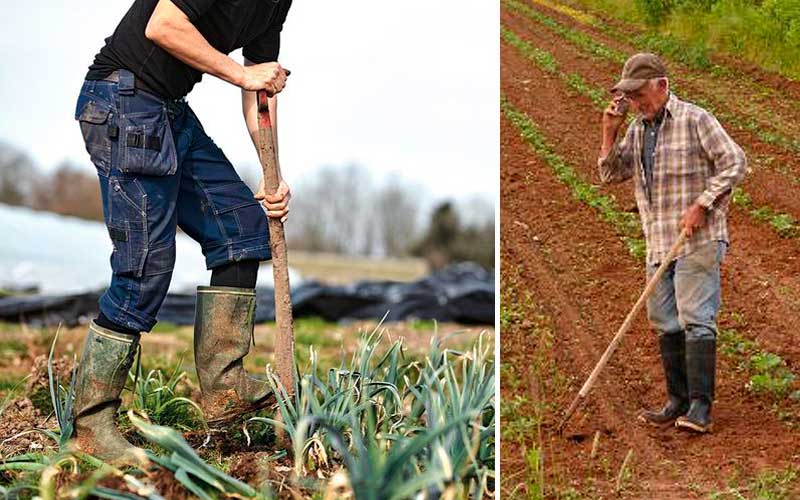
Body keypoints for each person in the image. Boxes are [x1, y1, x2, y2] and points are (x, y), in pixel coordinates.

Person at [72, 0, 292, 462]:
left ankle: (224, 391)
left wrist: (273, 172)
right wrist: (241, 75)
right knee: (145, 266)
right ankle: (91, 426)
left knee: (241, 227)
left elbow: (258, 81)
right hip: (122, 101)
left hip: (168, 110)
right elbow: (164, 25)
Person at [597, 53, 747, 433]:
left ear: (662, 86)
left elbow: (735, 162)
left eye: (639, 94)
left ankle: (699, 408)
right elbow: (611, 174)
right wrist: (609, 131)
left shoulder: (696, 119)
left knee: (696, 317)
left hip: (697, 238)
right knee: (665, 320)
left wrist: (703, 202)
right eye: (629, 97)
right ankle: (676, 400)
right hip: (659, 240)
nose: (635, 103)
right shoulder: (637, 128)